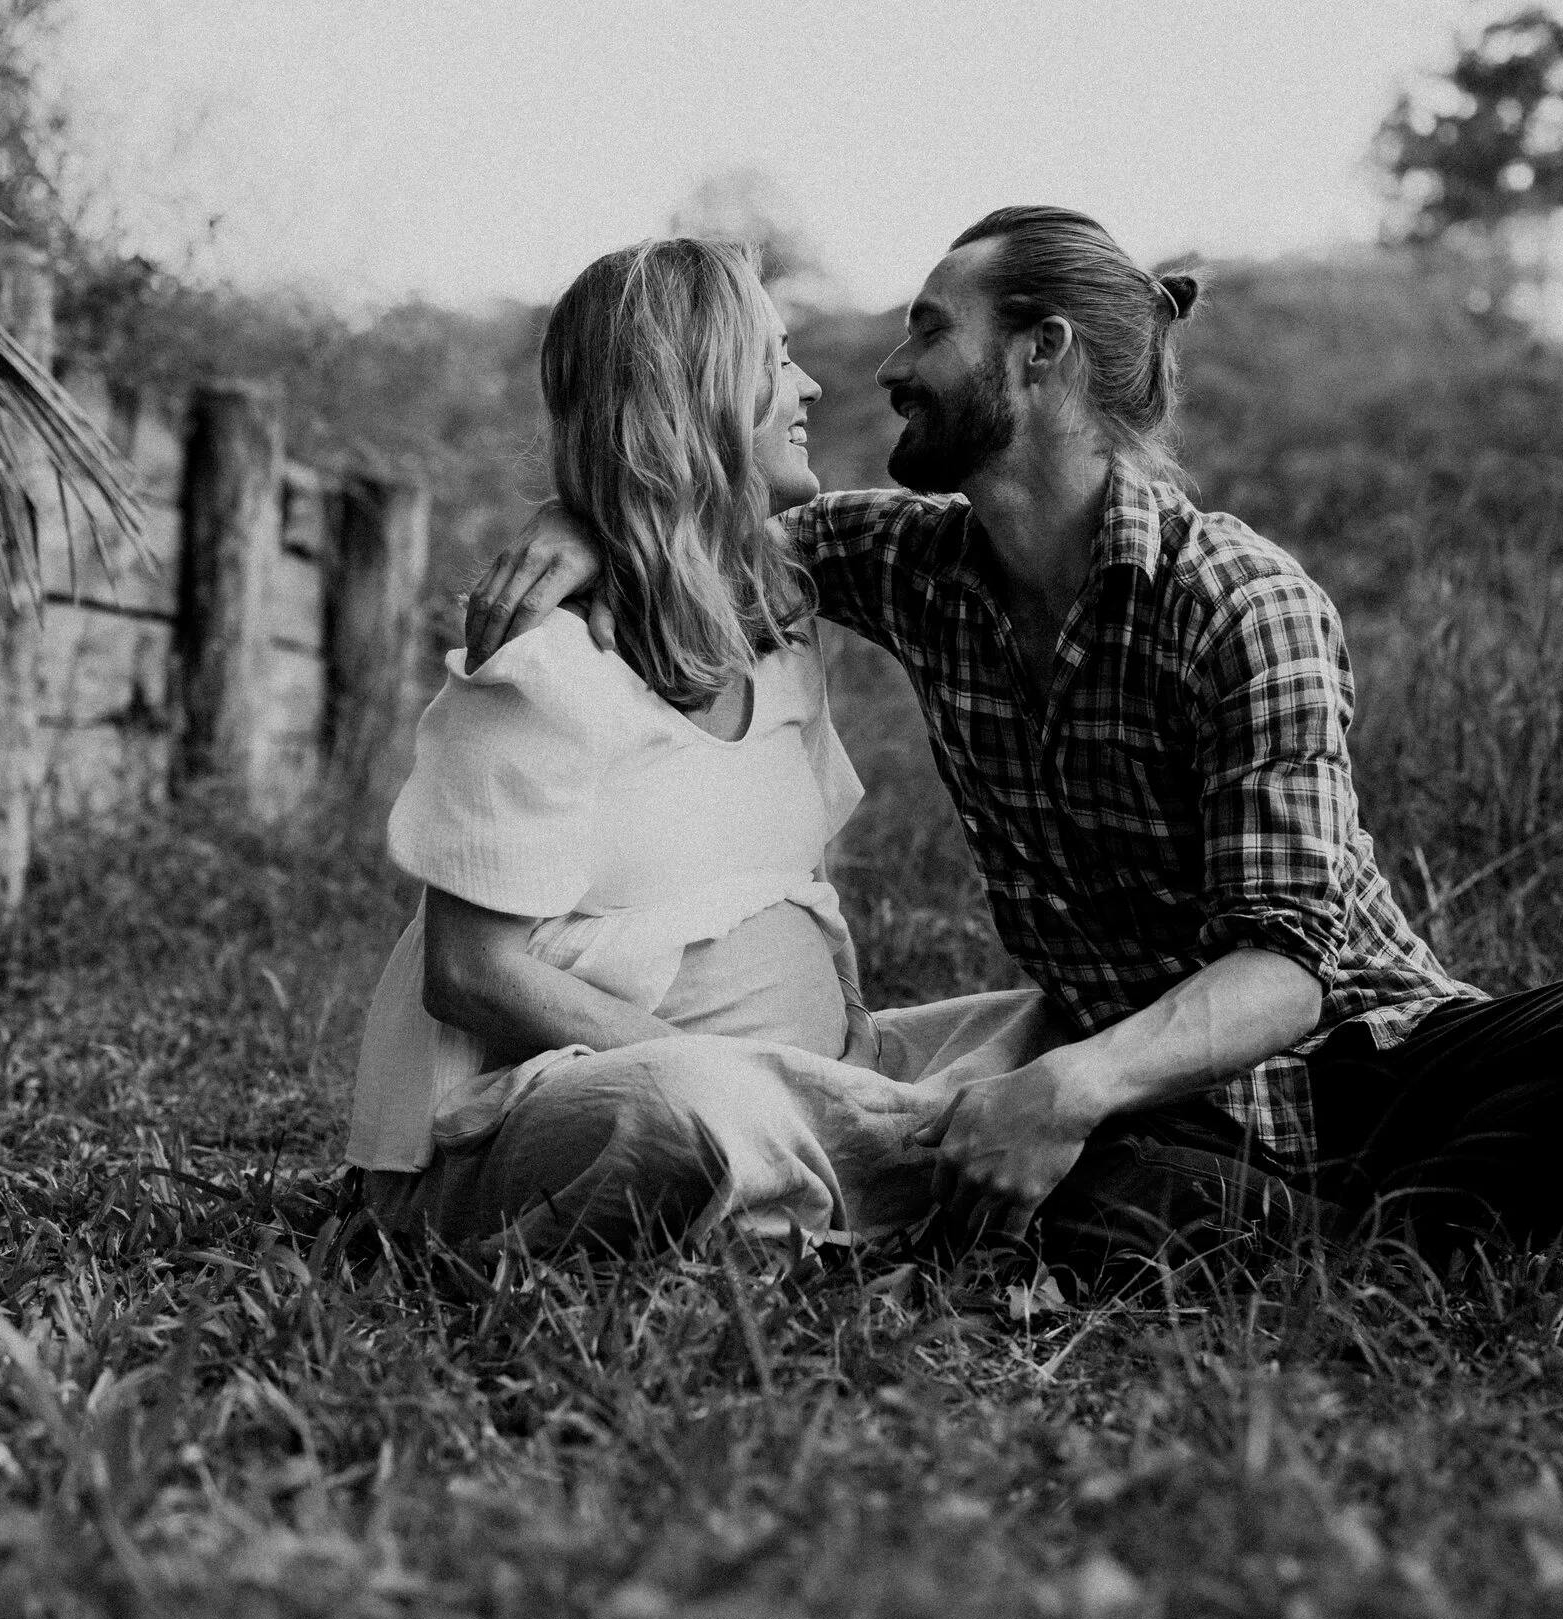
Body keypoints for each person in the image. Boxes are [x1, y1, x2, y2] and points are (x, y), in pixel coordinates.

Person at [463, 206, 1563, 1271]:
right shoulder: (913, 563)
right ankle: (1366, 1253)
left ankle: (1348, 1240)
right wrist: (575, 520)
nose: (888, 369)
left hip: (1354, 1062)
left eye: (931, 327)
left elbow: (1292, 971)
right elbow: (706, 532)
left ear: (1038, 354)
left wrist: (1070, 1087)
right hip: (1159, 1111)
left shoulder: (1241, 606)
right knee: (1053, 1188)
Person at [347, 237, 1078, 1264]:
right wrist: (773, 1079)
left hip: (805, 1073)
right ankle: (872, 1161)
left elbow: (795, 900)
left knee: (1063, 1030)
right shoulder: (543, 670)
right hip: (547, 1114)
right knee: (693, 1107)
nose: (811, 382)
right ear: (693, 395)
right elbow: (471, 974)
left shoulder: (782, 637)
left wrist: (842, 1054)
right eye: (776, 360)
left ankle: (853, 1157)